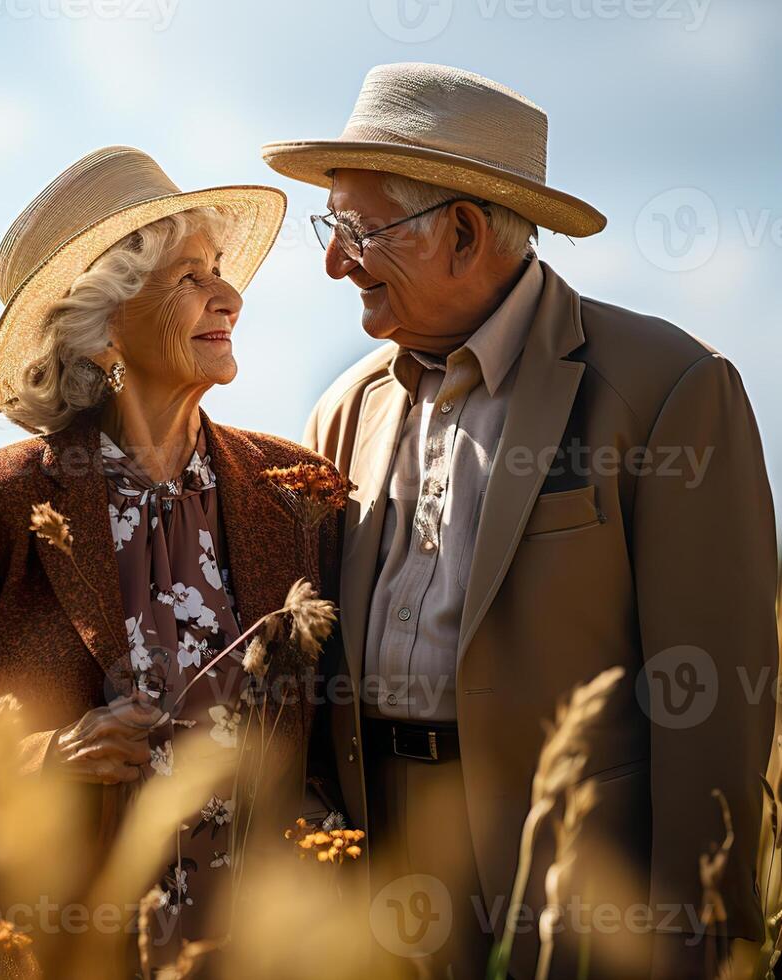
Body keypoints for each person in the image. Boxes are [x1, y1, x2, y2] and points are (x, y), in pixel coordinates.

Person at [262, 62, 778, 978]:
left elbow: (716, 688)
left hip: (578, 878)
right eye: (329, 227)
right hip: (372, 858)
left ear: (461, 230)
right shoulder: (342, 410)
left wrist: (693, 917)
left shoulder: (666, 387)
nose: (333, 260)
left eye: (355, 229)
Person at [0, 146, 341, 971]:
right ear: (103, 321)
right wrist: (49, 761)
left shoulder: (294, 494)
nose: (230, 296)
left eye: (219, 270)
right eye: (188, 279)